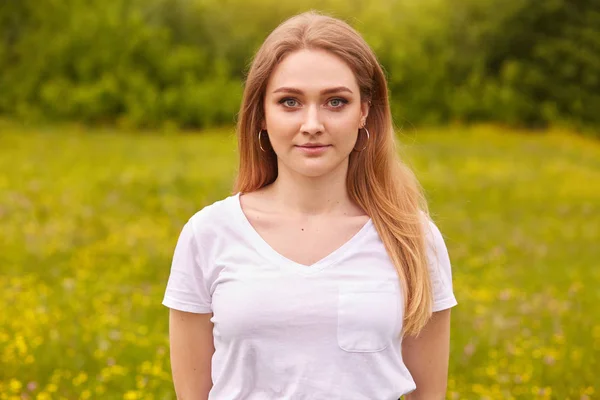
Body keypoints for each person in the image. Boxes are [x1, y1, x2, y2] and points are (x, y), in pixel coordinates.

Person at [162, 10, 458, 400]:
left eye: (336, 102)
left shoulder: (412, 238)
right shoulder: (208, 234)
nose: (313, 123)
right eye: (290, 102)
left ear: (364, 112)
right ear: (261, 115)